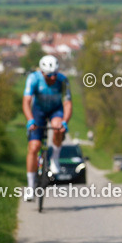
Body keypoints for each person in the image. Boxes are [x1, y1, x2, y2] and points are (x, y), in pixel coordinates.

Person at [23, 54, 72, 201]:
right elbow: (26, 102)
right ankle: (31, 188)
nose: (52, 78)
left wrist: (65, 121)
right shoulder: (33, 78)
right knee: (34, 147)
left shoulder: (63, 80)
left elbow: (67, 104)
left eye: (54, 75)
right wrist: (30, 120)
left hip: (55, 110)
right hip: (38, 111)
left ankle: (54, 158)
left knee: (57, 127)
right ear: (42, 73)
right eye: (49, 76)